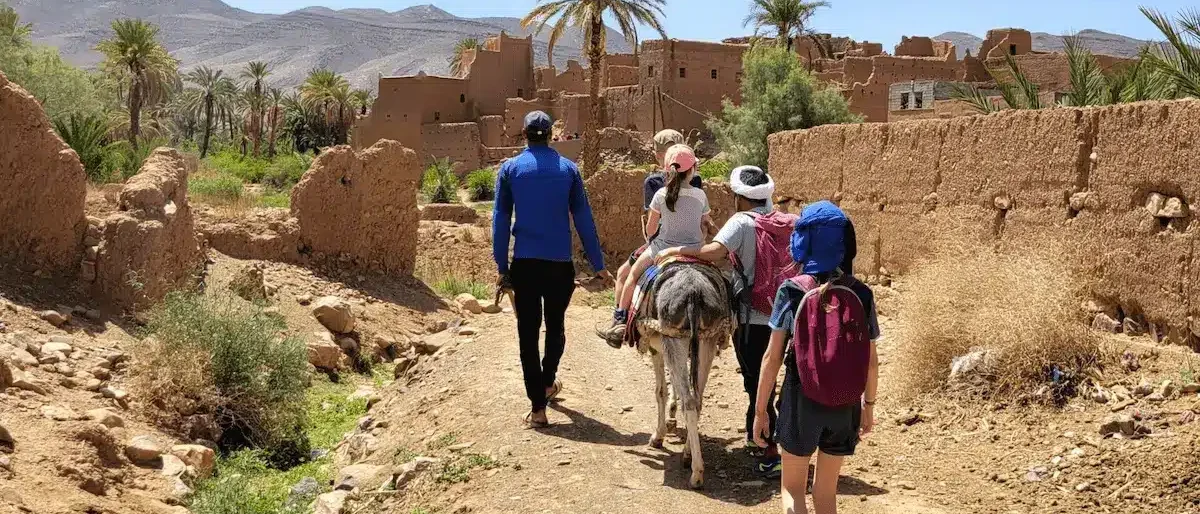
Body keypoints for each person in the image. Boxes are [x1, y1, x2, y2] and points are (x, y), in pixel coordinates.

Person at [656, 165, 785, 477]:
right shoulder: (779, 220)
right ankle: (759, 433)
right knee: (774, 375)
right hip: (782, 314)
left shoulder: (741, 221)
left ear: (740, 197)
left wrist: (675, 249)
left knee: (755, 378)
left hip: (750, 314)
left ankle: (768, 445)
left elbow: (714, 251)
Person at [753, 201, 880, 514]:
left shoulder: (792, 290)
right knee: (826, 495)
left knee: (792, 490)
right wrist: (869, 407)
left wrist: (760, 411)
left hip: (801, 400)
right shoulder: (861, 292)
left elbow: (771, 357)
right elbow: (872, 361)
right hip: (845, 403)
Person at [493, 110, 610, 428]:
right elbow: (584, 220)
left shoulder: (511, 169)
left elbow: (501, 220)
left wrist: (502, 266)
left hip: (526, 265)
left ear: (525, 134)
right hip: (560, 266)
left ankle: (538, 409)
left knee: (527, 335)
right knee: (555, 327)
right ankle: (548, 382)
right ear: (551, 135)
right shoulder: (569, 171)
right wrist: (598, 265)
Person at [606, 130, 711, 348]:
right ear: (692, 167)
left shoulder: (657, 189)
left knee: (630, 276)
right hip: (694, 248)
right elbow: (705, 223)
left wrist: (654, 238)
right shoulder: (700, 190)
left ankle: (620, 319)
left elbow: (651, 227)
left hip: (662, 246)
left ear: (660, 158)